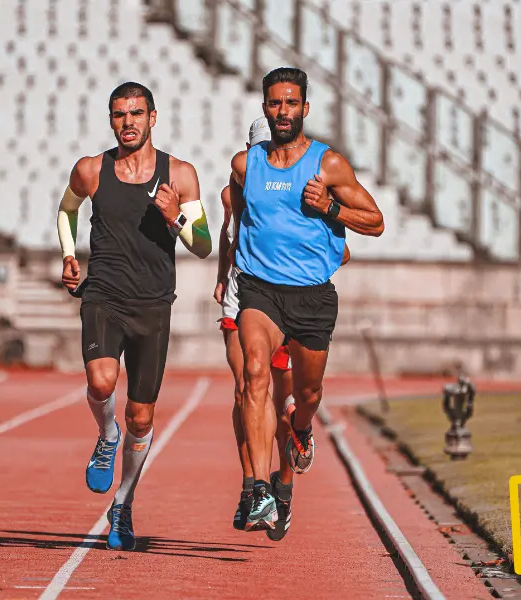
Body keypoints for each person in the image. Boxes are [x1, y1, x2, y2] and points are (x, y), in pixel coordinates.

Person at [57, 81, 212, 551]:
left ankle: (122, 504)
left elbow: (203, 246)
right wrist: (68, 254)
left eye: (136, 113)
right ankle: (107, 434)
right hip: (103, 294)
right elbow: (66, 210)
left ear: (153, 117)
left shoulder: (180, 175)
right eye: (120, 114)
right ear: (111, 120)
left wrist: (176, 217)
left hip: (153, 303)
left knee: (141, 418)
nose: (128, 122)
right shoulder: (90, 170)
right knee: (101, 383)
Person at [228, 67, 384, 531]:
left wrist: (329, 207)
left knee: (306, 394)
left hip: (312, 296)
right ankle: (257, 490)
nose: (283, 111)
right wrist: (227, 274)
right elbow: (239, 222)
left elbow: (375, 222)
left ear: (305, 109)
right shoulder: (243, 165)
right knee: (254, 372)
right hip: (260, 289)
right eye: (275, 103)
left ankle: (299, 429)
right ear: (264, 109)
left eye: (291, 103)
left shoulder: (327, 164)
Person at [216, 117, 351, 540]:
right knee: (248, 387)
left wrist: (305, 254)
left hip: (295, 294)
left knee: (289, 400)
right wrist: (224, 277)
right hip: (249, 291)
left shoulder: (300, 184)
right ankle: (252, 487)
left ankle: (284, 487)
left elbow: (343, 250)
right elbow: (229, 235)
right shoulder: (234, 188)